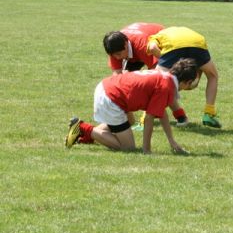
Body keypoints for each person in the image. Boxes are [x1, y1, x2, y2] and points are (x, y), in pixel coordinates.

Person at [65, 59, 197, 154]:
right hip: (111, 98)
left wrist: (171, 141)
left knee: (130, 121)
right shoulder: (166, 87)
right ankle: (82, 128)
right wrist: (147, 149)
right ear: (187, 82)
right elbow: (149, 119)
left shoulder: (165, 76)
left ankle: (85, 137)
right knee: (128, 147)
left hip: (108, 88)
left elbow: (162, 113)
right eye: (190, 85)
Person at [147, 26, 221, 128]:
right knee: (213, 76)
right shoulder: (177, 31)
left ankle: (144, 120)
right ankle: (209, 114)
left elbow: (152, 48)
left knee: (158, 83)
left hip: (174, 46)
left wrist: (167, 62)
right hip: (197, 43)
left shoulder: (155, 37)